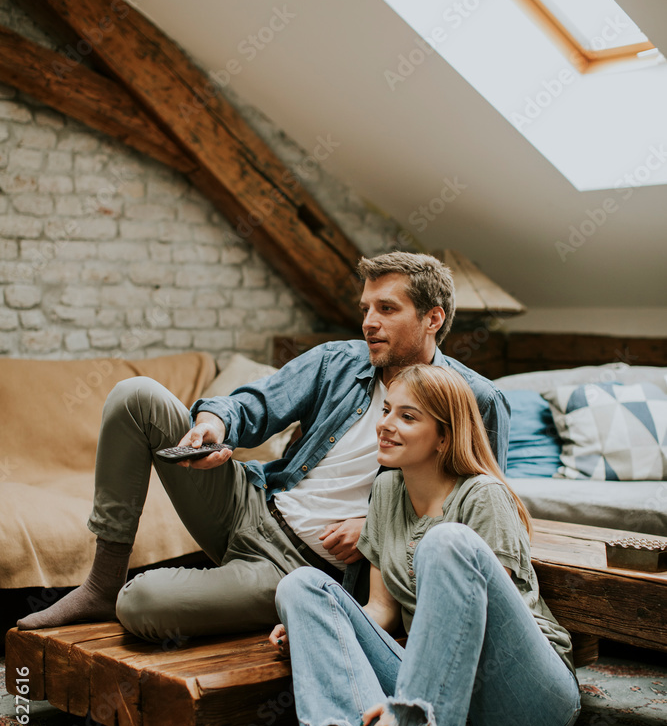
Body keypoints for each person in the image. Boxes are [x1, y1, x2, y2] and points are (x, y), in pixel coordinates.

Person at [18, 252, 511, 640]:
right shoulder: (336, 362)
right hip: (250, 501)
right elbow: (254, 404)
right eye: (365, 308)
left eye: (387, 309)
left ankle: (182, 597)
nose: (368, 322)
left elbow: (477, 514)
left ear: (432, 318)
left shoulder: (476, 399)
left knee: (142, 604)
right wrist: (213, 422)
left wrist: (376, 528)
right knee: (136, 396)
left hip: (299, 567)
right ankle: (101, 585)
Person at [270, 364, 580, 726]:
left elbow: (495, 630)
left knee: (446, 542)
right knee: (301, 586)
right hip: (439, 702)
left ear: (443, 438)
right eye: (387, 409)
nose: (386, 423)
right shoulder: (387, 490)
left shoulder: (483, 496)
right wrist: (324, 628)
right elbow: (381, 611)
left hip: (523, 700)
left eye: (408, 417)